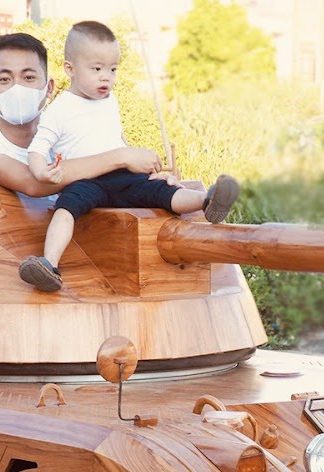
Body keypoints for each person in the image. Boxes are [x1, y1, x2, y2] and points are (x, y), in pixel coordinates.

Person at [18, 20, 238, 293]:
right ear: (69, 69)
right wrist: (41, 171)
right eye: (96, 69)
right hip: (88, 180)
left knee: (160, 191)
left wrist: (146, 168)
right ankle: (49, 264)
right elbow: (37, 148)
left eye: (112, 69)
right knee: (65, 209)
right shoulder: (59, 109)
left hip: (123, 175)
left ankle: (206, 202)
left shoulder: (110, 101)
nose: (106, 77)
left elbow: (117, 140)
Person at [0, 32, 163, 199]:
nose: (17, 88)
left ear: (49, 87)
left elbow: (121, 181)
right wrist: (121, 158)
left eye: (29, 77)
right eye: (4, 79)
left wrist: (158, 184)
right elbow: (32, 182)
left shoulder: (77, 135)